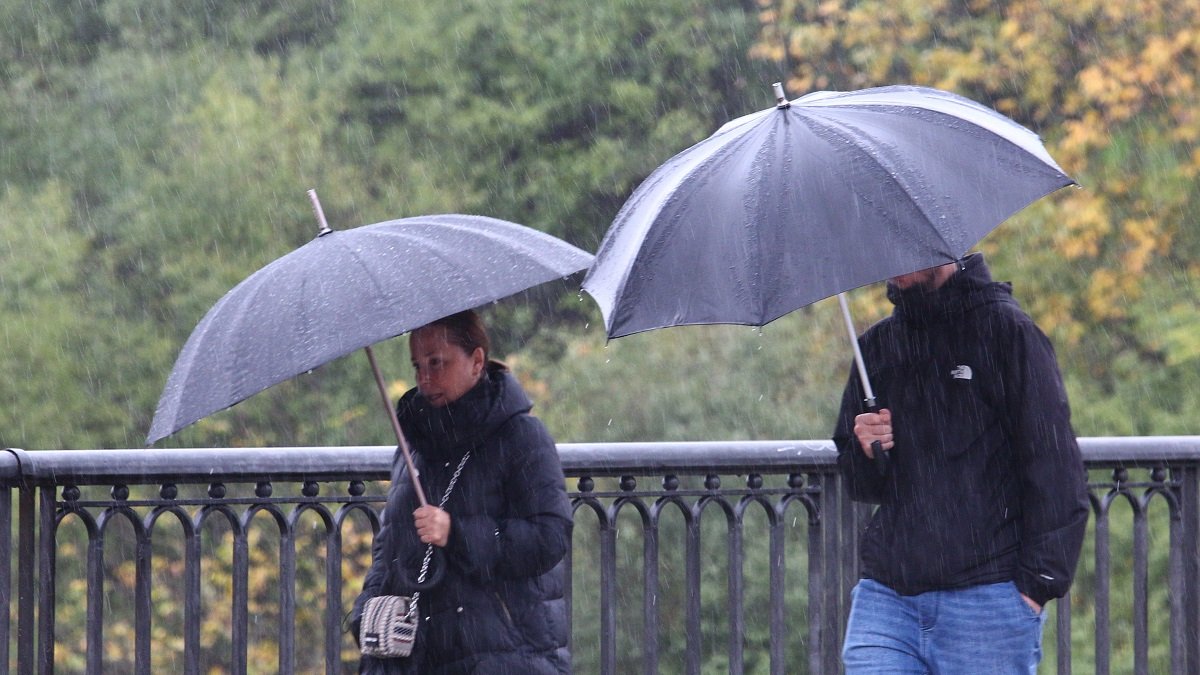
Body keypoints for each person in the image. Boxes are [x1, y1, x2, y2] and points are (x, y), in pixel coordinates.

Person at [833, 253, 1089, 674]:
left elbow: (1055, 469)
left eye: (908, 243)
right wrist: (866, 448)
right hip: (886, 599)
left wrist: (1034, 589)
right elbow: (863, 486)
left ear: (942, 238)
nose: (894, 259)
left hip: (987, 603)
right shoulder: (876, 349)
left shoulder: (1008, 333)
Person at [351, 310, 573, 674]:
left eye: (437, 363)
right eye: (417, 366)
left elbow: (548, 539)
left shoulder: (521, 436)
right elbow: (389, 546)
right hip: (417, 657)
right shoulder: (414, 446)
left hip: (505, 653)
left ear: (477, 361)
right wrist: (366, 615)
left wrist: (457, 533)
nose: (425, 378)